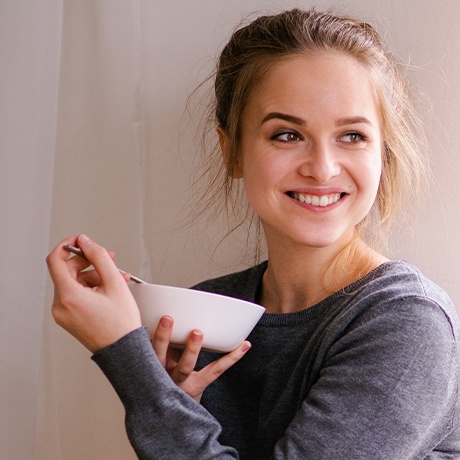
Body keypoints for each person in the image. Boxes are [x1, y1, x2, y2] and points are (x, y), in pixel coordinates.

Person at [46, 8, 460, 459]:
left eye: (352, 136)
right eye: (286, 135)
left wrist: (128, 359)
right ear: (233, 152)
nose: (321, 167)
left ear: (384, 153)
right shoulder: (208, 314)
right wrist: (175, 407)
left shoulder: (406, 323)